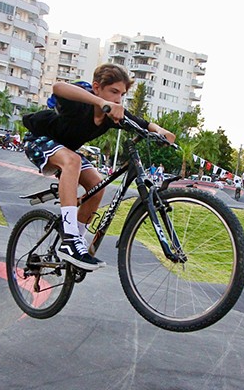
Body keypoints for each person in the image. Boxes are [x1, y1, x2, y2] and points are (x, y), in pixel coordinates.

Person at [21, 63, 175, 271]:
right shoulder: (80, 102)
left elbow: (143, 124)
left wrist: (161, 131)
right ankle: (69, 239)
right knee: (72, 161)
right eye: (113, 92)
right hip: (39, 140)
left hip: (65, 149)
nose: (118, 99)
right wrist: (101, 102)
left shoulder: (112, 116)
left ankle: (79, 244)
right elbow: (58, 87)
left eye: (122, 94)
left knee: (97, 185)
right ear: (96, 87)